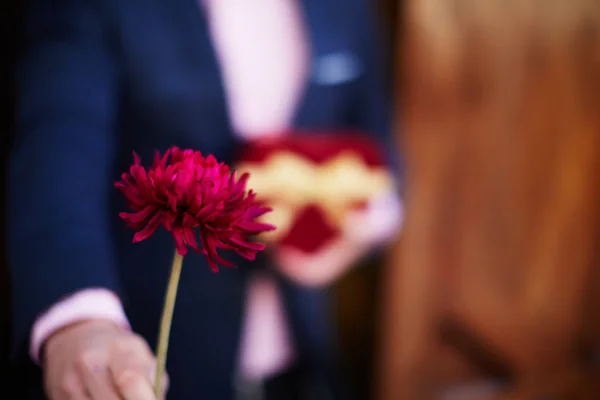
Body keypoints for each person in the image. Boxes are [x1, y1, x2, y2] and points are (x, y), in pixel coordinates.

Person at [7, 0, 402, 398]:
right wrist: (79, 318)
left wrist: (358, 231)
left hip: (299, 354)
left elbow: (384, 156)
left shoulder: (345, 7)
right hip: (151, 351)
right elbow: (58, 151)